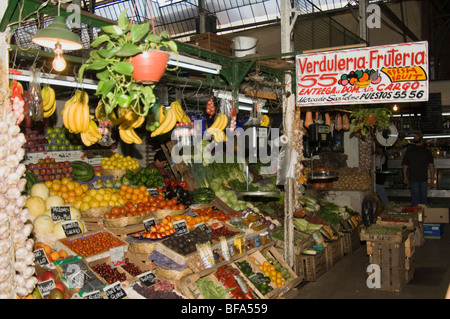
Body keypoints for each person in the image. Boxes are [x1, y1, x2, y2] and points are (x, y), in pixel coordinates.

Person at [402, 133, 435, 206]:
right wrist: (432, 179)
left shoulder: (409, 151)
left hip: (413, 178)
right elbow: (431, 166)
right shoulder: (427, 152)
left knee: (415, 199)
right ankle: (422, 214)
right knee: (423, 199)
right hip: (423, 178)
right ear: (422, 141)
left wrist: (405, 176)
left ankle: (415, 215)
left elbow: (405, 165)